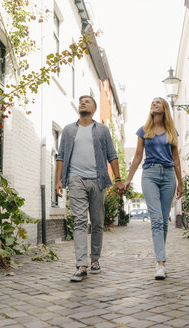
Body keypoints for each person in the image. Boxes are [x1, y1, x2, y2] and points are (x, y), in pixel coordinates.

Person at [56, 95, 124, 282]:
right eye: (80, 101)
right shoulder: (69, 130)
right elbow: (60, 156)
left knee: (97, 222)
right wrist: (58, 180)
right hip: (75, 179)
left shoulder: (102, 130)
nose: (82, 103)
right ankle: (81, 265)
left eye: (87, 101)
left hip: (98, 180)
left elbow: (112, 155)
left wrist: (118, 179)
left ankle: (95, 259)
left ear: (94, 108)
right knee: (78, 221)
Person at [122, 97, 183, 280]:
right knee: (156, 219)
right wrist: (128, 180)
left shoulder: (171, 131)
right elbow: (137, 157)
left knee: (164, 221)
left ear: (164, 109)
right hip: (149, 175)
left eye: (158, 102)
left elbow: (176, 159)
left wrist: (180, 182)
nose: (153, 104)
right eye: (152, 102)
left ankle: (160, 261)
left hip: (168, 176)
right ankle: (161, 263)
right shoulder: (144, 131)